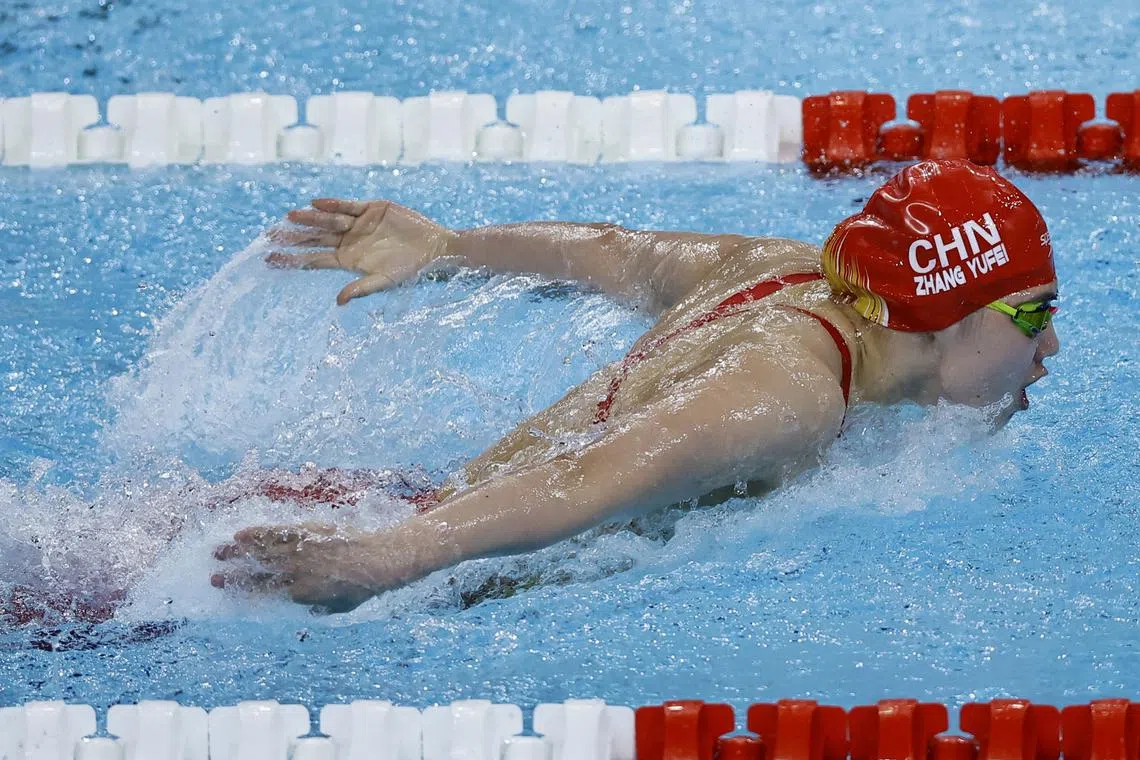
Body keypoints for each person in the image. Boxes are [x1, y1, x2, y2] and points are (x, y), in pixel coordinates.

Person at [211, 159, 1060, 614]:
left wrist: (449, 247)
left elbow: (614, 252)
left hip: (387, 506)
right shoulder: (788, 398)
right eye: (1030, 316)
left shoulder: (782, 271)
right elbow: (583, 480)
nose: (1051, 345)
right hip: (392, 562)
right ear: (941, 312)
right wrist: (382, 560)